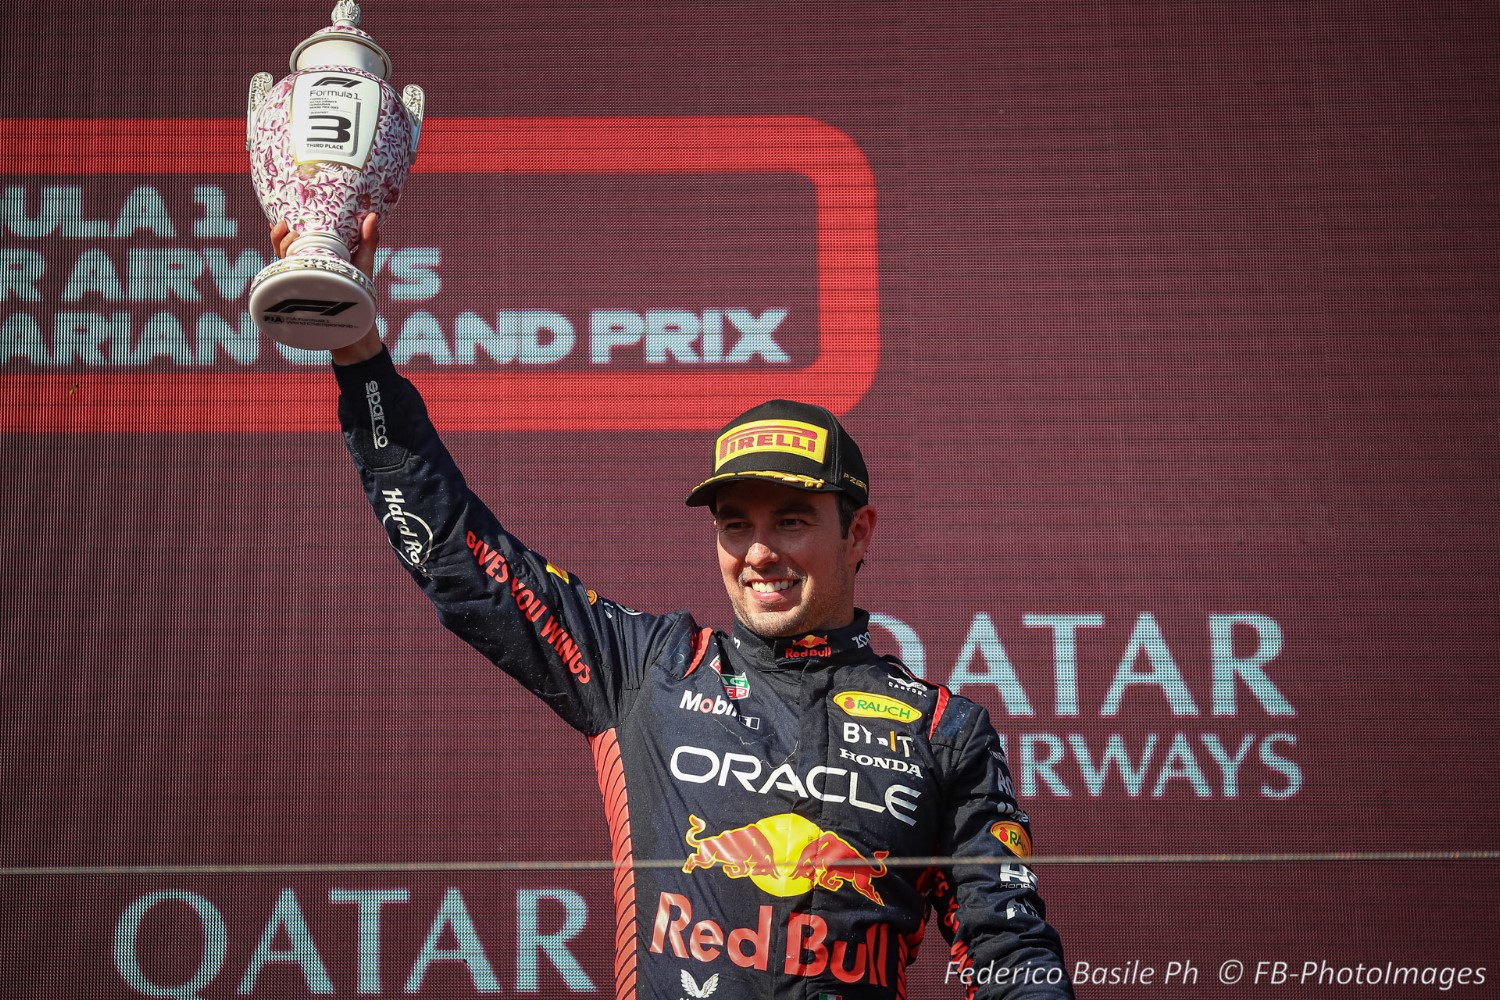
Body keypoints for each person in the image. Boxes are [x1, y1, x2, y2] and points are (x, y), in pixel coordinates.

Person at [272, 216, 1074, 999]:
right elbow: (460, 556)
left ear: (857, 532)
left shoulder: (945, 731)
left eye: (791, 520)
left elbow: (1009, 947)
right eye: (736, 524)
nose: (759, 551)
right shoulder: (649, 668)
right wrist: (359, 356)